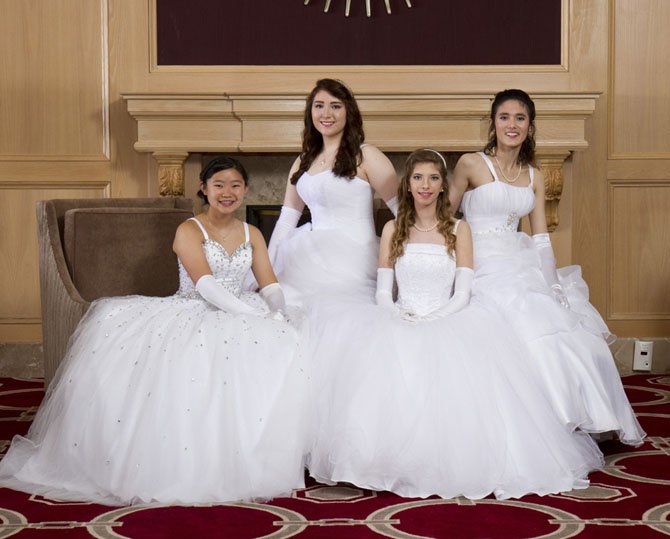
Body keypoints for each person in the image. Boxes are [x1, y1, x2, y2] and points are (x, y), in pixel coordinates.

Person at [0, 156, 306, 505]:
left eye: (235, 185)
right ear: (204, 189)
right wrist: (250, 317)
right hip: (195, 309)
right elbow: (205, 285)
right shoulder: (189, 230)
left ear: (245, 190)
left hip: (239, 307)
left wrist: (278, 311)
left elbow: (269, 283)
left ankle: (256, 459)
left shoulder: (252, 233)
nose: (228, 192)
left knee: (286, 341)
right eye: (219, 185)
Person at [306, 149, 604, 500]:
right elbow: (383, 289)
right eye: (418, 177)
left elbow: (463, 290)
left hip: (448, 317)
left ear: (443, 185)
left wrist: (437, 318)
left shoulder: (459, 229)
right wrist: (395, 314)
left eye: (433, 178)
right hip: (400, 317)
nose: (425, 185)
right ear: (408, 185)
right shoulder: (391, 229)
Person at [450, 89, 645, 445]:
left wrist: (553, 284)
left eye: (520, 118)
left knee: (561, 326)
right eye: (505, 117)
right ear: (492, 123)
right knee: (515, 332)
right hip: (477, 263)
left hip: (518, 261)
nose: (512, 125)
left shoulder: (534, 176)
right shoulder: (470, 164)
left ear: (530, 126)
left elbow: (540, 238)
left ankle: (578, 419)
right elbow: (444, 219)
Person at [268, 78, 399, 306]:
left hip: (355, 258)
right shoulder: (303, 160)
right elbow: (287, 220)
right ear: (311, 112)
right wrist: (267, 272)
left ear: (349, 112)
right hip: (311, 257)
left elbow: (404, 214)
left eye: (335, 106)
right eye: (319, 106)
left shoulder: (366, 156)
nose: (326, 113)